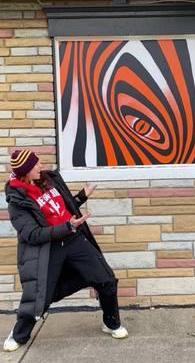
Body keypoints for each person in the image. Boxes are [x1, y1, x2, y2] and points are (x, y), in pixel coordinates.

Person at [3, 149, 128, 352]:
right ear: (25, 171)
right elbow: (32, 234)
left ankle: (111, 322)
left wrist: (81, 197)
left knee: (106, 279)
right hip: (50, 248)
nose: (40, 166)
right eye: (36, 165)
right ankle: (19, 334)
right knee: (40, 297)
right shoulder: (18, 200)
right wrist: (67, 226)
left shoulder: (47, 180)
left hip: (74, 239)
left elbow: (64, 209)